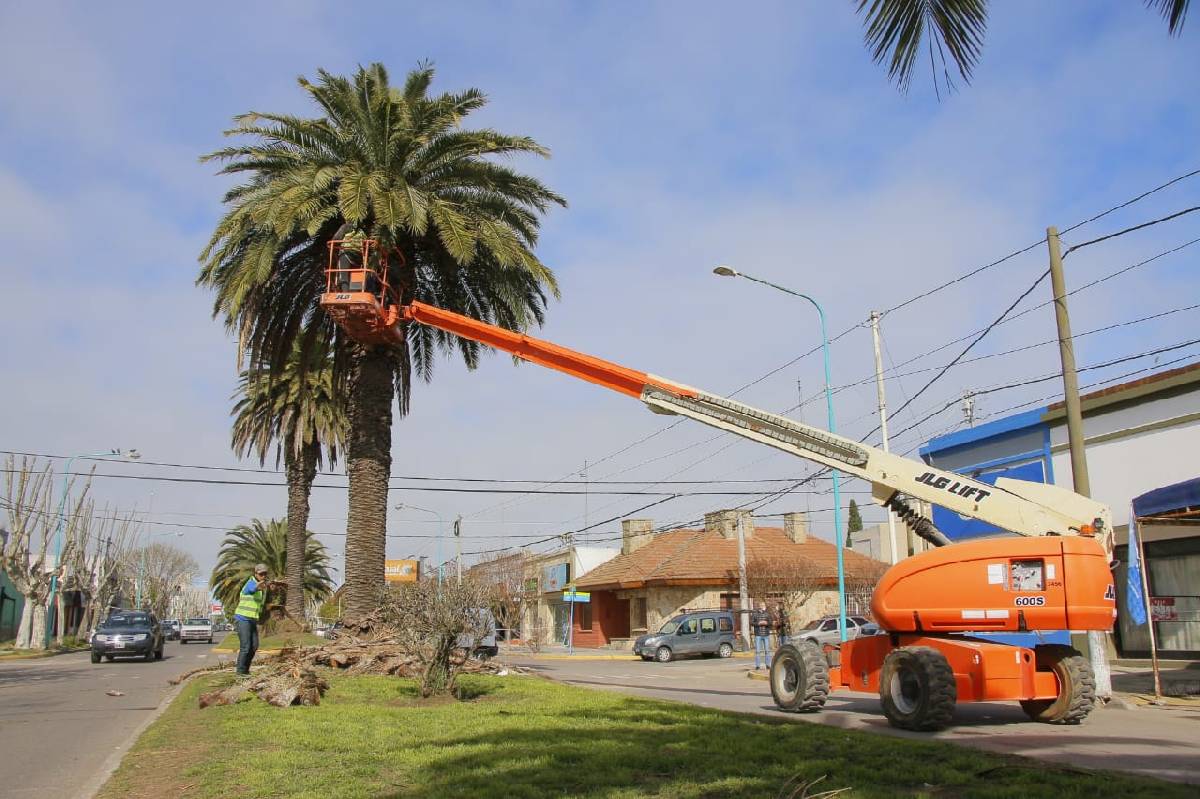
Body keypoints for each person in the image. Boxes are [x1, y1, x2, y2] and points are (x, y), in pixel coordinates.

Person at [234, 563, 276, 677]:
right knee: (246, 646)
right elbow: (253, 588)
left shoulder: (261, 588)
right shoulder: (250, 583)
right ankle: (240, 673)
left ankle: (246, 670)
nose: (263, 576)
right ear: (255, 573)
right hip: (242, 619)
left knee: (254, 646)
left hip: (252, 620)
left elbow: (262, 594)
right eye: (261, 574)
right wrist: (263, 585)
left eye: (265, 574)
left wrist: (270, 587)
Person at [750, 601, 772, 670]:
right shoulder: (755, 614)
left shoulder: (767, 614)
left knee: (767, 651)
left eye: (763, 605)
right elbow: (751, 622)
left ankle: (768, 665)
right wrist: (758, 623)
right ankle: (758, 666)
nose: (762, 606)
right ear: (759, 606)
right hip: (758, 635)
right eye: (761, 605)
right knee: (758, 651)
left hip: (766, 634)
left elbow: (771, 622)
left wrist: (766, 623)